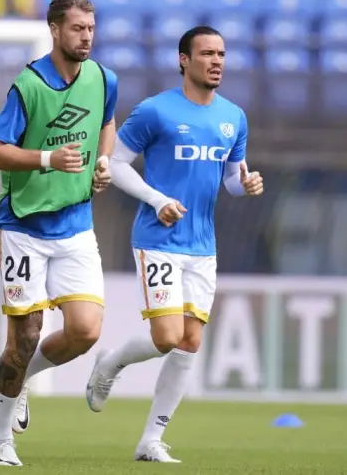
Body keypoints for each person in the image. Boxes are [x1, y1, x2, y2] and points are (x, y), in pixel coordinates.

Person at [84, 26, 264, 463]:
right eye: (206, 53)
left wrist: (247, 184)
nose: (216, 61)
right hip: (158, 238)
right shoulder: (155, 111)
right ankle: (110, 364)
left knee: (190, 342)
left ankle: (150, 441)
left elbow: (230, 179)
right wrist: (157, 199)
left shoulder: (233, 117)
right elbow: (116, 164)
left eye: (221, 53)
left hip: (203, 245)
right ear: (184, 59)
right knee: (167, 337)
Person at [0, 0, 118, 467]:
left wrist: (103, 162)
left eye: (91, 29)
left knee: (85, 331)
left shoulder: (103, 78)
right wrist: (47, 159)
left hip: (75, 224)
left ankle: (21, 386)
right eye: (77, 28)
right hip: (23, 225)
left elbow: (108, 120)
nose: (86, 37)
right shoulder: (28, 85)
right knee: (24, 336)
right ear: (55, 30)